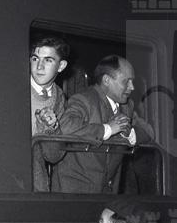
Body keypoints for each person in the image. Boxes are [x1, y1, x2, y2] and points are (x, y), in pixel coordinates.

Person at [49, 55, 154, 193]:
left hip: (108, 194)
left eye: (132, 81)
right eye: (126, 81)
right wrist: (108, 129)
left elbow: (149, 132)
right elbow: (66, 126)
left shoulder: (127, 106)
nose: (132, 87)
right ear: (106, 80)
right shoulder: (83, 100)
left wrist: (130, 134)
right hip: (74, 193)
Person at [30, 36, 69, 191]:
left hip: (36, 183)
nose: (39, 67)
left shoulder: (59, 97)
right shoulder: (12, 86)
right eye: (35, 59)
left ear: (61, 66)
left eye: (48, 60)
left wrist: (51, 128)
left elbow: (54, 156)